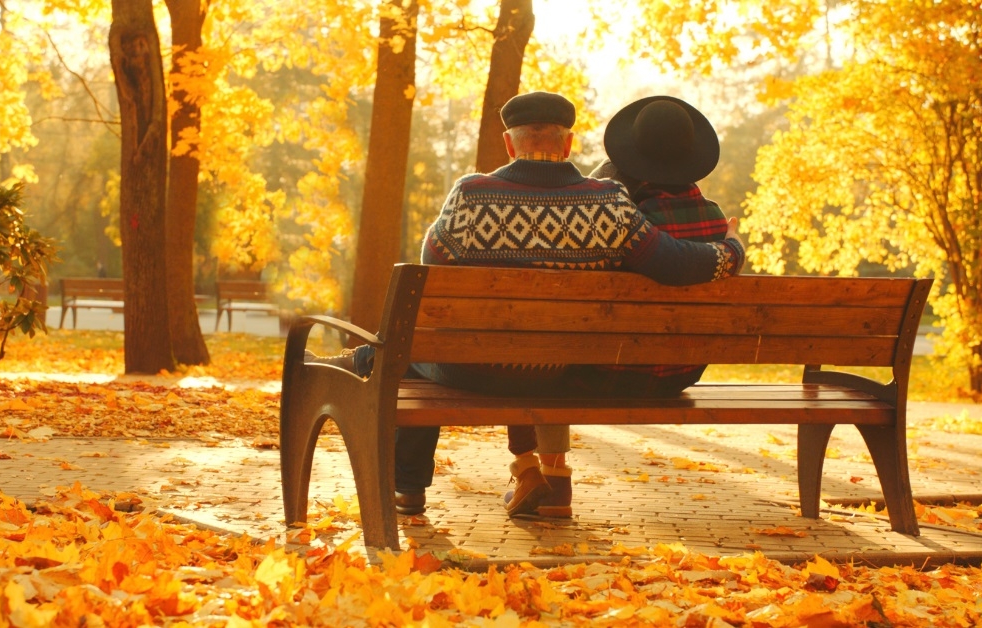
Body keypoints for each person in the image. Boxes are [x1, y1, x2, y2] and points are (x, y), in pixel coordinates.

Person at [308, 91, 744, 519]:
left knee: (411, 351)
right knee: (424, 349)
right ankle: (366, 367)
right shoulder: (608, 202)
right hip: (559, 368)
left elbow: (432, 264)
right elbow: (677, 262)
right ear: (568, 142)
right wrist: (732, 251)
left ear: (509, 143)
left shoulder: (470, 196)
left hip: (474, 369)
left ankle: (406, 484)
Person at [506, 95, 732, 517]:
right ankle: (543, 478)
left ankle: (549, 476)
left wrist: (604, 179)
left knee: (543, 353)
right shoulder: (718, 222)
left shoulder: (618, 217)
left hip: (609, 372)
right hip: (680, 374)